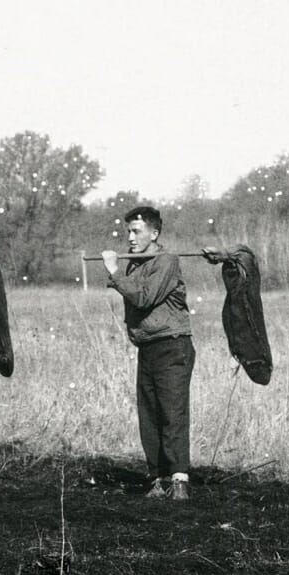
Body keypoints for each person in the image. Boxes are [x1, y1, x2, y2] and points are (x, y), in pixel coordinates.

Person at [100, 205, 195, 501]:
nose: (129, 237)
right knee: (149, 415)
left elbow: (143, 297)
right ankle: (158, 479)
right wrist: (121, 273)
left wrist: (115, 271)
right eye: (127, 231)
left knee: (172, 413)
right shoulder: (135, 264)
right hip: (148, 347)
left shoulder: (166, 261)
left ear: (154, 233)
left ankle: (179, 481)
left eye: (136, 231)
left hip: (172, 345)